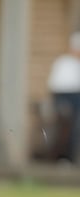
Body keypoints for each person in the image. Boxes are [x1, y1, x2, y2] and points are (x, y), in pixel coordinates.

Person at [47, 32, 80, 162]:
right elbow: (55, 86)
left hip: (77, 99)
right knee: (64, 129)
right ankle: (61, 157)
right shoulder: (63, 62)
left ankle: (71, 158)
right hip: (64, 98)